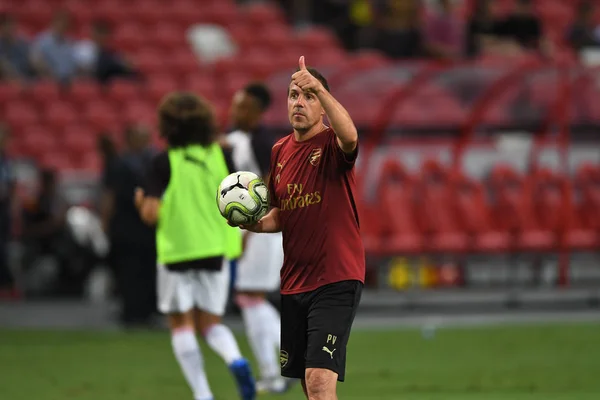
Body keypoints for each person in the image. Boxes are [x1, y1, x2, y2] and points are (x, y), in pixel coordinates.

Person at [238, 56, 365, 400]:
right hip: (295, 282)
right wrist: (254, 223)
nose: (299, 102)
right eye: (294, 95)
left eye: (308, 97)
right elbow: (282, 214)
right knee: (310, 385)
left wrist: (319, 89)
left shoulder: (331, 144)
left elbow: (351, 136)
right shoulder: (279, 151)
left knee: (320, 378)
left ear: (322, 105)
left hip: (335, 277)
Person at [135, 92, 256, 400]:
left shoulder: (163, 162)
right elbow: (238, 201)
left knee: (181, 324)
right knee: (211, 324)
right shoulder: (221, 156)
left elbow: (151, 214)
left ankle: (203, 394)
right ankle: (236, 360)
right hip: (215, 249)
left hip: (177, 251)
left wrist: (140, 202)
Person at [225, 83, 291, 394]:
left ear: (258, 111)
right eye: (236, 105)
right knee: (250, 298)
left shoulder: (266, 141)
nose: (237, 111)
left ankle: (279, 368)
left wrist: (250, 227)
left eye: (244, 107)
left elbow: (270, 186)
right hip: (254, 228)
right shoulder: (243, 139)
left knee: (249, 297)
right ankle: (278, 368)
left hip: (260, 229)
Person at [103, 125, 157, 327]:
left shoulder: (150, 162)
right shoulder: (120, 164)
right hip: (126, 224)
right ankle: (131, 311)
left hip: (146, 225)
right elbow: (110, 195)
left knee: (146, 269)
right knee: (128, 270)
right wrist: (105, 223)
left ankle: (145, 311)